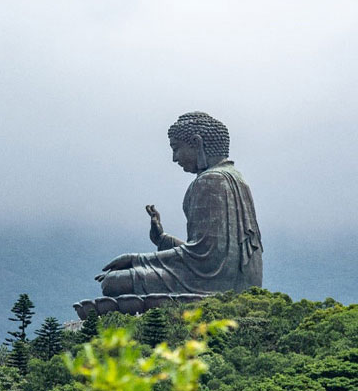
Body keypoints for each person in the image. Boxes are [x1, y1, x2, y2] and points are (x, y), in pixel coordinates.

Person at [95, 111, 263, 296]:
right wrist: (162, 239)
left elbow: (203, 260)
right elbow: (206, 252)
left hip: (213, 286)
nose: (174, 158)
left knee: (113, 282)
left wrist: (136, 259)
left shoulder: (209, 181)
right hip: (241, 284)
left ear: (197, 143)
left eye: (176, 148)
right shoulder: (238, 180)